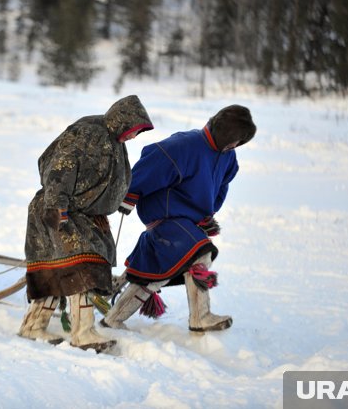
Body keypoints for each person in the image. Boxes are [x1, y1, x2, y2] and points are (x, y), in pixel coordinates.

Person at [101, 105, 256, 332]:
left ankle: (112, 319)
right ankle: (200, 317)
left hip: (187, 221)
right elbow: (152, 160)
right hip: (165, 216)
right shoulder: (185, 146)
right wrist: (131, 193)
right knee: (201, 252)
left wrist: (206, 215)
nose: (236, 146)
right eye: (236, 140)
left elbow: (221, 188)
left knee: (154, 275)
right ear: (226, 134)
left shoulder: (228, 158)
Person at [17, 95, 153, 352]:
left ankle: (33, 326)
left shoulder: (114, 140)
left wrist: (118, 199)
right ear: (122, 120)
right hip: (57, 210)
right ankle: (83, 332)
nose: (134, 137)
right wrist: (57, 207)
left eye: (138, 133)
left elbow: (110, 178)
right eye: (133, 131)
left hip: (84, 215)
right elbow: (61, 167)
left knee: (62, 271)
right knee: (80, 267)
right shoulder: (88, 132)